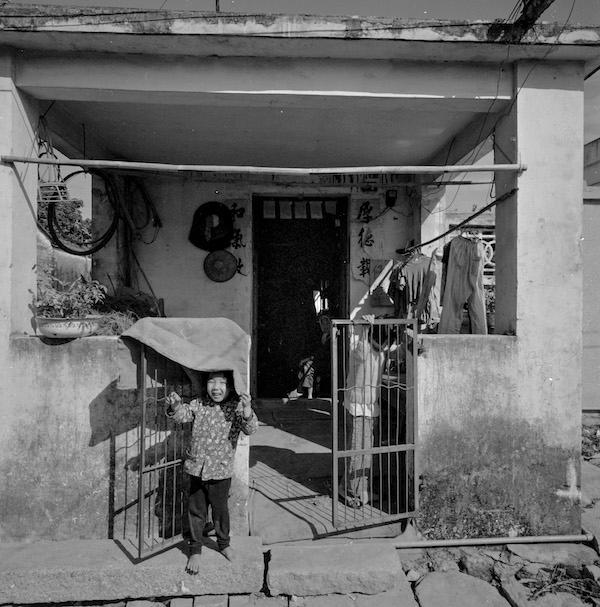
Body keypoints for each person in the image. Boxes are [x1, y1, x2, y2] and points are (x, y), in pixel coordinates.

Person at [165, 370, 258, 574]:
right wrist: (175, 405)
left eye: (222, 383)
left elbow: (251, 429)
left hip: (220, 470)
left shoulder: (236, 407)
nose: (216, 388)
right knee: (196, 511)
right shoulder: (199, 403)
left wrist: (248, 409)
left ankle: (224, 544)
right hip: (197, 468)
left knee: (220, 510)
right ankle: (195, 548)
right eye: (212, 382)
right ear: (206, 384)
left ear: (231, 387)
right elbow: (182, 416)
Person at [338, 315, 387, 508]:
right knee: (358, 452)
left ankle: (354, 488)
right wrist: (366, 328)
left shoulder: (380, 352)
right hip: (358, 409)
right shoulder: (361, 349)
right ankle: (353, 492)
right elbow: (361, 342)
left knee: (363, 452)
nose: (383, 345)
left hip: (369, 409)